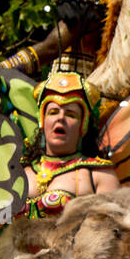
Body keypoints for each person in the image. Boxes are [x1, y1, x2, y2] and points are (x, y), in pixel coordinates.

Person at [19, 71, 118, 219]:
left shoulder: (99, 174)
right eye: (53, 112)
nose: (60, 118)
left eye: (71, 114)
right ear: (42, 121)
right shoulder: (19, 172)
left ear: (83, 126)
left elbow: (113, 232)